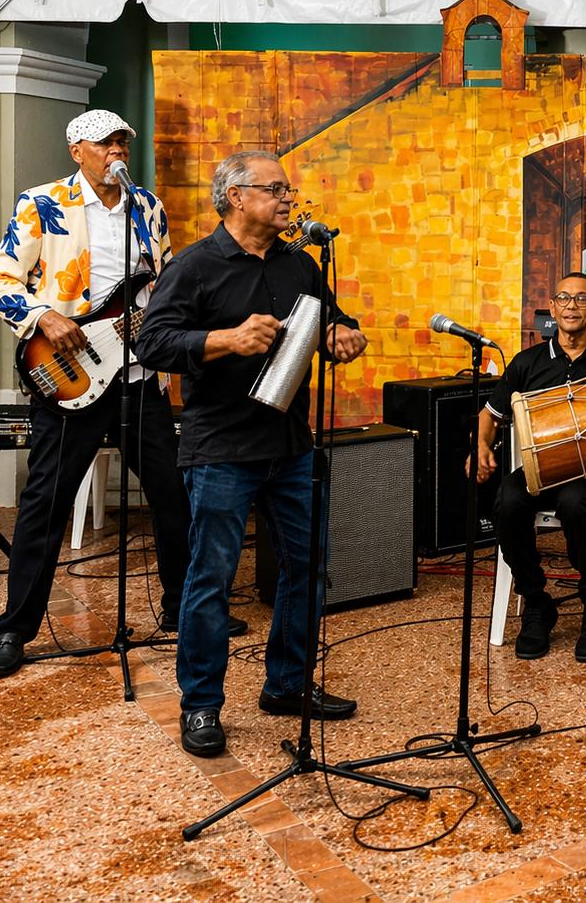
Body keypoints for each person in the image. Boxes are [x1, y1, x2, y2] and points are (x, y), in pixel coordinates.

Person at [135, 149, 367, 758]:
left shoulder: (301, 264)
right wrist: (225, 339)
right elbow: (152, 343)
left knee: (306, 567)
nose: (289, 199)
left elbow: (330, 320)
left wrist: (344, 334)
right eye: (276, 189)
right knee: (211, 578)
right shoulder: (194, 266)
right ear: (236, 197)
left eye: (288, 190)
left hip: (290, 444)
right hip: (221, 448)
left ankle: (287, 685)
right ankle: (201, 704)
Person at [0, 110, 198, 678]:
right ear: (77, 150)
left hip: (140, 377)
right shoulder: (42, 202)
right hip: (72, 375)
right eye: (104, 143)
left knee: (172, 495)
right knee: (45, 505)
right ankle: (15, 629)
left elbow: (165, 283)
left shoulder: (148, 206)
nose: (116, 151)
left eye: (122, 141)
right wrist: (42, 317)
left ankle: (183, 609)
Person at [475, 273, 586, 662]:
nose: (572, 306)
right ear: (552, 308)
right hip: (544, 470)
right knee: (507, 499)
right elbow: (489, 414)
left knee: (574, 502)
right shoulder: (528, 362)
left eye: (582, 299)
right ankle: (536, 602)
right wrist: (481, 445)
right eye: (564, 298)